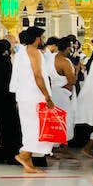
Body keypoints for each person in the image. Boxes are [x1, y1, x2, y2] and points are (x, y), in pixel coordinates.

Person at [11, 27, 55, 173]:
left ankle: (28, 162)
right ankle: (24, 154)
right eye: (42, 37)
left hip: (24, 95)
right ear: (36, 38)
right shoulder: (34, 52)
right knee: (37, 127)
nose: (43, 40)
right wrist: (47, 96)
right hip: (35, 95)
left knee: (29, 127)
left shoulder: (21, 52)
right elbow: (38, 76)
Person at [49, 38, 78, 146]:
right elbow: (72, 80)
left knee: (53, 120)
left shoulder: (50, 57)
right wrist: (77, 69)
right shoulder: (65, 62)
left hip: (52, 92)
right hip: (63, 93)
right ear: (67, 48)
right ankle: (60, 145)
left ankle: (54, 145)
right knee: (65, 119)